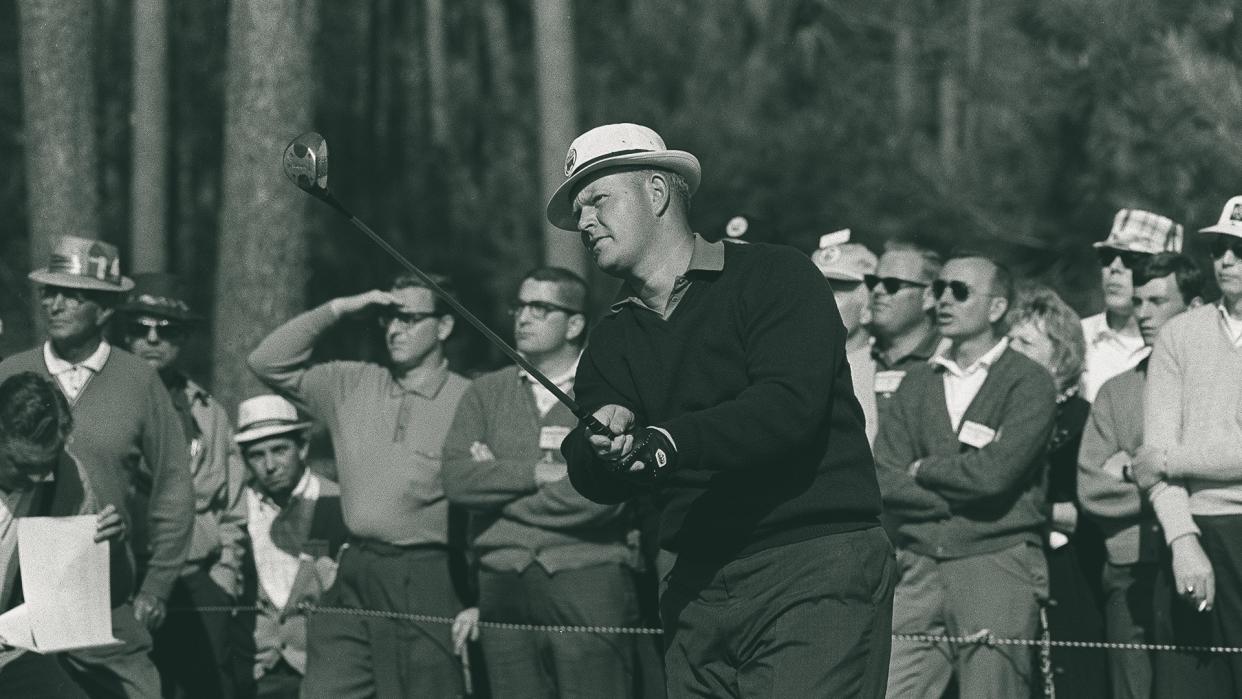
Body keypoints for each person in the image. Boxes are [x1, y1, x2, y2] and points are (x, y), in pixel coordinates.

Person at [549, 123, 895, 698]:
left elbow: (787, 407)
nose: (584, 223)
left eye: (597, 200)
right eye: (577, 209)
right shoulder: (612, 337)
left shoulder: (774, 275)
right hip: (695, 584)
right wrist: (599, 447)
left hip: (812, 562)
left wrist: (665, 442)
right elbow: (594, 473)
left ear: (657, 192)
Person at [248, 273, 470, 698]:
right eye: (387, 318)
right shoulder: (350, 383)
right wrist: (342, 307)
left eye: (408, 318)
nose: (393, 329)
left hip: (427, 571)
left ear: (443, 327)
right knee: (328, 689)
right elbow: (266, 361)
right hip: (353, 568)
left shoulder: (470, 397)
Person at [0, 235, 193, 699]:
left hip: (97, 587)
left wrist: (157, 587)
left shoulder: (140, 381)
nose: (55, 303)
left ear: (105, 310)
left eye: (73, 294)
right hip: (12, 594)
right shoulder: (10, 371)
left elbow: (173, 484)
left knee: (140, 689)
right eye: (49, 292)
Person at [443, 266, 641, 698]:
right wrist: (538, 472)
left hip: (585, 574)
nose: (523, 317)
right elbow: (457, 480)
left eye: (540, 307)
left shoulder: (610, 391)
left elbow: (603, 499)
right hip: (500, 578)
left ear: (575, 323)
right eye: (520, 305)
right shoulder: (484, 392)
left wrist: (497, 486)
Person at [874, 251, 1056, 698]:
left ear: (996, 308)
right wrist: (952, 495)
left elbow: (997, 475)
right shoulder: (916, 381)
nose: (943, 301)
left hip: (996, 564)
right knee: (891, 689)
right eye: (938, 289)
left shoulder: (1028, 381)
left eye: (959, 291)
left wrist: (924, 470)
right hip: (917, 566)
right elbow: (881, 476)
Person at [117, 273, 251, 699]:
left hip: (196, 582)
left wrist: (224, 576)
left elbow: (232, 504)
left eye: (167, 329)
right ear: (124, 334)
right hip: (123, 582)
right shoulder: (100, 405)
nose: (153, 339)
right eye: (141, 328)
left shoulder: (207, 412)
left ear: (184, 337)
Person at [1078, 252, 1204, 699]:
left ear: (1193, 307)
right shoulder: (1116, 391)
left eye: (1157, 301)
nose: (1143, 313)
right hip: (1129, 567)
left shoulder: (1219, 385)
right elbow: (1092, 488)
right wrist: (1179, 484)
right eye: (1139, 301)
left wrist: (1132, 469)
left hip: (1204, 560)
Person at [1132, 195, 1242, 694]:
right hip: (1196, 535)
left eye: (1240, 250)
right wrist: (1182, 540)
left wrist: (1173, 460)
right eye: (1221, 247)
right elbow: (1151, 459)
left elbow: (1158, 459)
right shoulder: (1179, 335)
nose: (1226, 261)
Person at [1007, 283, 1107, 697]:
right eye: (1008, 340)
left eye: (1025, 343)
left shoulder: (1086, 419)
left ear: (1060, 354)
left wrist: (1038, 511)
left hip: (1072, 576)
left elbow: (1091, 509)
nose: (1010, 352)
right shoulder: (1000, 417)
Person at [0, 373, 126, 698]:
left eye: (46, 465)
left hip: (12, 650)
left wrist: (109, 546)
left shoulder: (67, 477)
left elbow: (91, 595)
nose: (36, 477)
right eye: (21, 465)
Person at [234, 395, 347, 699]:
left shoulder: (337, 503)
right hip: (258, 671)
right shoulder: (237, 510)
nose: (270, 465)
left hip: (323, 671)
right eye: (257, 455)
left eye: (280, 450)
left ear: (303, 448)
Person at [1080, 209, 1183, 402]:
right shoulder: (1076, 338)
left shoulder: (1185, 353)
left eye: (1132, 259)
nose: (1115, 268)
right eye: (1107, 256)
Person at [811, 229, 880, 444]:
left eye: (836, 293)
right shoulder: (780, 359)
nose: (820, 301)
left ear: (868, 306)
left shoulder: (882, 369)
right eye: (813, 289)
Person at [866, 241, 943, 404]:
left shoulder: (947, 358)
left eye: (891, 285)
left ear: (929, 297)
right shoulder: (859, 355)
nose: (878, 291)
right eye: (873, 282)